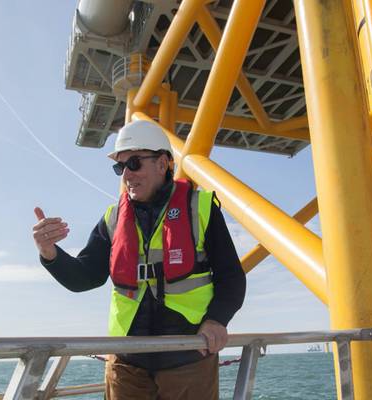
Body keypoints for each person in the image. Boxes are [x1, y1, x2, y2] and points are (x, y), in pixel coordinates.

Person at [32, 119, 246, 400]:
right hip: (126, 363)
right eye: (120, 167)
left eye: (134, 163)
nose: (126, 175)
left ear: (162, 163)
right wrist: (49, 253)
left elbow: (231, 276)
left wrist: (217, 320)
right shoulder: (113, 219)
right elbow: (85, 277)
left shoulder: (201, 208)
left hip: (188, 358)